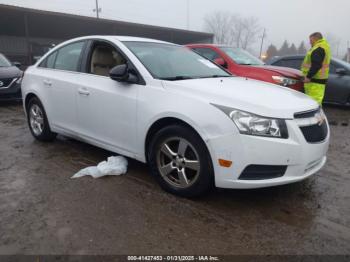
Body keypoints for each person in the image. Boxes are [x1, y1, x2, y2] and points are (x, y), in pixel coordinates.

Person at [301, 32, 331, 105]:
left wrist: (308, 77)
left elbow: (316, 65)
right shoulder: (324, 46)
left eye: (311, 40)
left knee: (313, 103)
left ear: (316, 39)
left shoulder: (318, 48)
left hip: (314, 81)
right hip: (319, 80)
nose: (310, 42)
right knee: (316, 101)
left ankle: (316, 116)